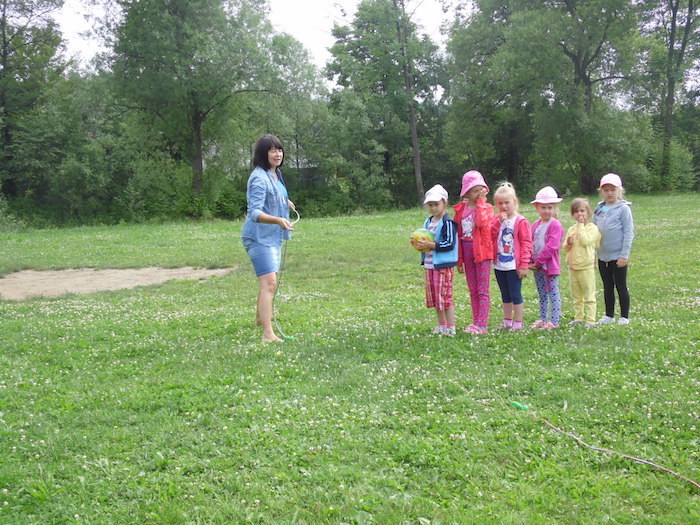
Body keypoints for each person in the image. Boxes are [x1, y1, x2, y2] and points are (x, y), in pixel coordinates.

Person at [241, 134, 295, 343]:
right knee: (269, 283)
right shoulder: (258, 177)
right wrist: (278, 220)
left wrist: (285, 201)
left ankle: (259, 319)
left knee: (268, 282)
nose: (278, 154)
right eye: (272, 150)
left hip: (272, 236)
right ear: (263, 154)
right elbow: (254, 212)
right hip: (258, 237)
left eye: (280, 150)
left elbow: (273, 195)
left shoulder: (275, 173)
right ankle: (268, 334)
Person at [414, 184, 459, 336]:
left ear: (444, 203)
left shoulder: (447, 222)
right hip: (430, 264)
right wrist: (418, 243)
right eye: (430, 205)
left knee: (445, 296)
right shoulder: (428, 222)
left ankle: (451, 327)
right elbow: (424, 237)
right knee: (436, 297)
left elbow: (449, 243)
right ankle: (442, 324)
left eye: (436, 204)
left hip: (443, 266)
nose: (433, 208)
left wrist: (431, 245)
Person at [452, 170, 494, 334]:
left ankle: (482, 325)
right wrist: (459, 259)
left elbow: (482, 224)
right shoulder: (461, 209)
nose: (477, 194)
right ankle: (475, 321)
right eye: (474, 191)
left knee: (482, 289)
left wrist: (481, 203)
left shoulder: (487, 208)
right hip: (467, 250)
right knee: (473, 289)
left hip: (481, 252)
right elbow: (458, 233)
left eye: (480, 190)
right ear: (467, 192)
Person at [592, 173, 634, 325]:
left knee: (621, 286)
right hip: (603, 256)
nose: (609, 193)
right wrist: (593, 254)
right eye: (606, 190)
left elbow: (629, 233)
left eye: (612, 190)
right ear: (601, 191)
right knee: (607, 286)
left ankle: (624, 316)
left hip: (618, 256)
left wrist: (624, 255)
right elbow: (593, 231)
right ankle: (609, 315)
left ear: (619, 190)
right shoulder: (599, 209)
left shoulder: (623, 209)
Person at [490, 182, 532, 331]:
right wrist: (498, 222)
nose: (504, 206)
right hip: (499, 264)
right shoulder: (496, 219)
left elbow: (526, 244)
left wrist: (524, 265)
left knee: (515, 294)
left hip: (514, 265)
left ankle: (518, 323)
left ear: (514, 202)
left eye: (507, 202)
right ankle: (507, 321)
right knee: (505, 295)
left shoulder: (520, 221)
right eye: (500, 203)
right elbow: (489, 235)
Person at [529, 186, 565, 329]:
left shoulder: (555, 225)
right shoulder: (536, 225)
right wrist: (531, 262)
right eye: (543, 207)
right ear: (537, 208)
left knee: (553, 293)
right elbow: (530, 243)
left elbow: (552, 246)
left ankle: (554, 321)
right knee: (542, 293)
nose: (546, 211)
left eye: (550, 207)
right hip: (537, 266)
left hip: (549, 267)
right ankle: (543, 318)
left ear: (554, 208)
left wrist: (538, 262)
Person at [564, 198, 601, 326]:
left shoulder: (592, 228)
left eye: (582, 211)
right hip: (573, 267)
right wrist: (568, 243)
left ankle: (590, 320)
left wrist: (580, 226)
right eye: (576, 211)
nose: (579, 214)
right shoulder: (571, 229)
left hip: (586, 267)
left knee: (589, 294)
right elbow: (565, 248)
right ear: (572, 214)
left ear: (588, 213)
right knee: (576, 295)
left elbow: (586, 241)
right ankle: (578, 317)